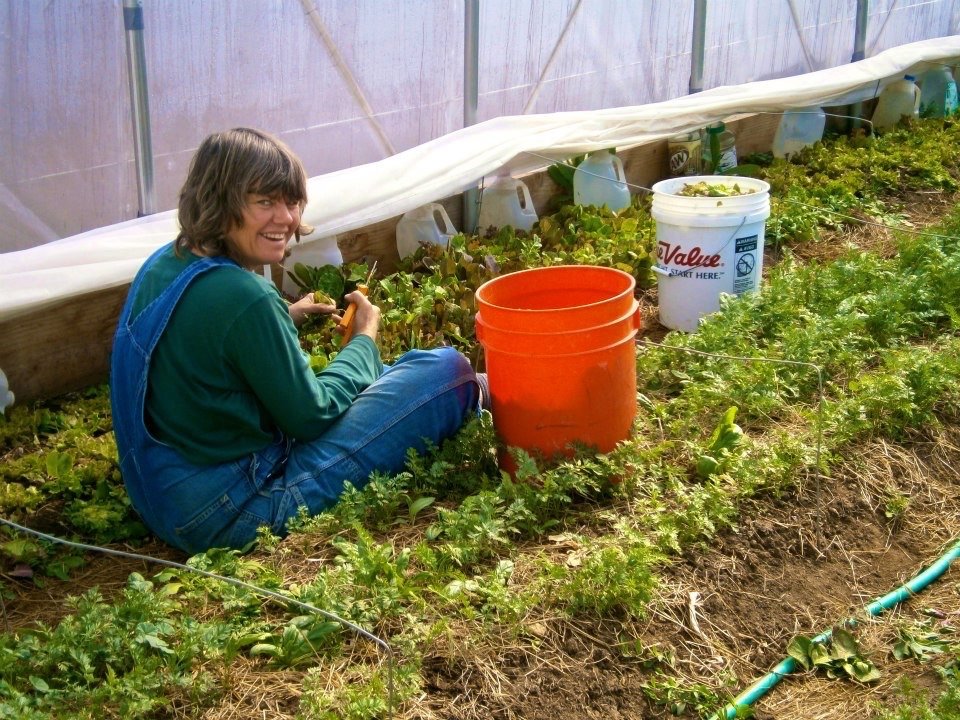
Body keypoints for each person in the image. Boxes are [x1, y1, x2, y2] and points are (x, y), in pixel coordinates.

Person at [110, 127, 485, 555]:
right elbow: (312, 417)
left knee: (398, 378)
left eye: (291, 202)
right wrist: (363, 341)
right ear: (219, 201)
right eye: (264, 202)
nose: (286, 219)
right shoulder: (243, 298)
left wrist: (280, 319)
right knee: (445, 372)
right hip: (234, 511)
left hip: (162, 500)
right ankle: (484, 390)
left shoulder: (163, 264)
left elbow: (198, 346)